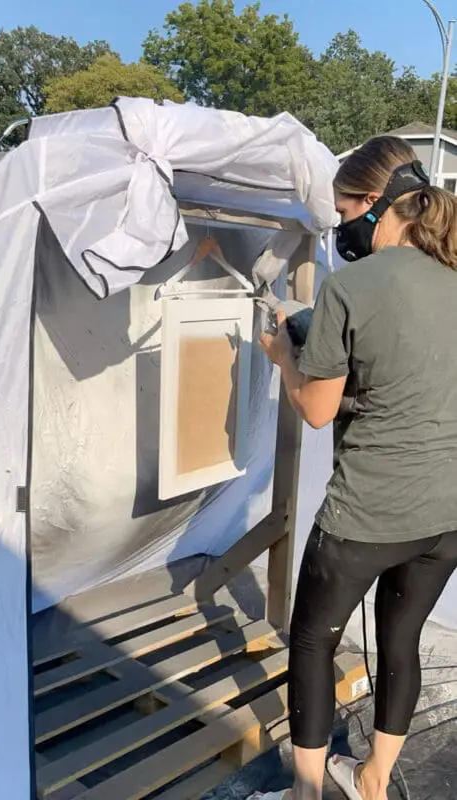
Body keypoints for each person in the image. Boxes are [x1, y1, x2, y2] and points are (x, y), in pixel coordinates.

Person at [259, 135, 457, 800]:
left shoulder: (352, 287)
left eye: (343, 211)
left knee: (312, 643)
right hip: (447, 514)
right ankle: (372, 783)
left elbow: (315, 411)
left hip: (367, 517)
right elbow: (406, 384)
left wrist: (285, 357)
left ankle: (306, 794)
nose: (341, 226)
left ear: (373, 203)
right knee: (398, 645)